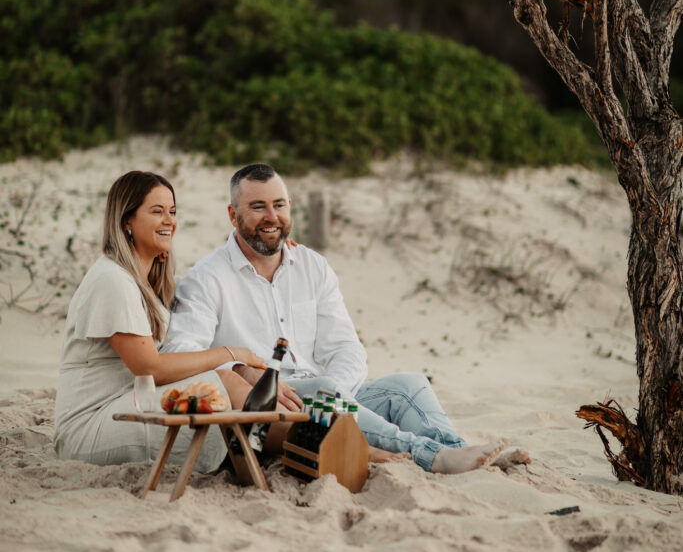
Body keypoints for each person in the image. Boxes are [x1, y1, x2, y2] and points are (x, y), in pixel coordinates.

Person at [163, 163, 528, 474]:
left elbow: (347, 349)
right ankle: (432, 456)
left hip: (326, 396)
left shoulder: (312, 265)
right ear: (233, 214)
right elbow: (181, 354)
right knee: (325, 390)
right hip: (275, 413)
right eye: (257, 206)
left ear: (290, 207)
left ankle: (462, 450)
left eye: (279, 204)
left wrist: (338, 398)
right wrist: (242, 369)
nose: (271, 217)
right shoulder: (207, 278)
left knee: (408, 384)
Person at [53, 171, 268, 472]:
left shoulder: (145, 280)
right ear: (127, 220)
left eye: (172, 211)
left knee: (237, 377)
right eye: (157, 211)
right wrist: (232, 354)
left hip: (129, 401)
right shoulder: (112, 280)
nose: (169, 220)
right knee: (224, 382)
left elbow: (207, 285)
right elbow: (149, 368)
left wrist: (269, 253)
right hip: (90, 425)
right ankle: (294, 446)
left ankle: (281, 443)